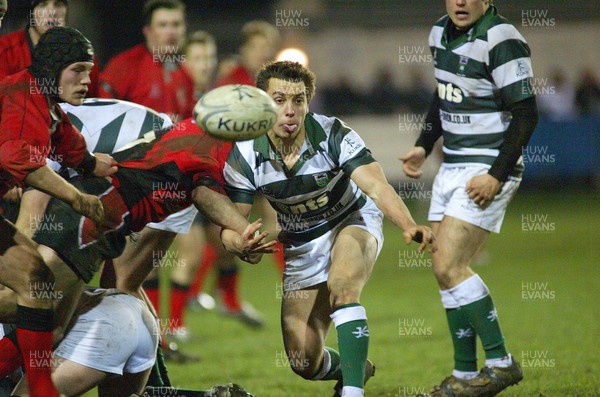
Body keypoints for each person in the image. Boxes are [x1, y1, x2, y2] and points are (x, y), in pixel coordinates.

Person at [224, 61, 433, 397]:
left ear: (309, 103)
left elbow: (377, 187)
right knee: (303, 359)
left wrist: (408, 224)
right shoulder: (244, 155)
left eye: (299, 101)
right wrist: (239, 243)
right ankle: (355, 368)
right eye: (279, 101)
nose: (290, 111)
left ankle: (352, 393)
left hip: (350, 220)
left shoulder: (334, 134)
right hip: (300, 244)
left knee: (342, 289)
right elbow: (232, 221)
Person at [398, 1, 539, 396]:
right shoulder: (438, 32)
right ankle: (463, 376)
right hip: (451, 167)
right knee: (444, 273)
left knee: (450, 264)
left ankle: (500, 364)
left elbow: (527, 114)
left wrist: (496, 175)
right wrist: (424, 145)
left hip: (486, 167)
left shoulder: (501, 37)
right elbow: (444, 96)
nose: (460, 1)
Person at [0, 26, 117, 397]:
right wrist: (77, 198)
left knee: (36, 282)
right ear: (52, 69)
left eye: (89, 70)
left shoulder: (45, 102)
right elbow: (21, 157)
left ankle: (41, 391)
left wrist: (92, 165)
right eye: (77, 70)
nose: (87, 79)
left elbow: (68, 145)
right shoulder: (24, 95)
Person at [99, 0, 194, 121]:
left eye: (176, 24)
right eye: (163, 25)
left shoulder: (186, 76)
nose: (171, 32)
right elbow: (102, 112)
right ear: (148, 31)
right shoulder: (125, 65)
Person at [0, 0, 100, 96]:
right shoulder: (4, 51)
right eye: (43, 4)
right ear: (30, 12)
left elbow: (93, 108)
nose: (52, 13)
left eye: (58, 4)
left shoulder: (84, 57)